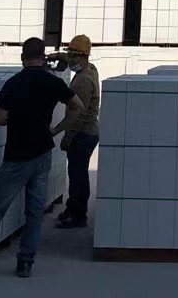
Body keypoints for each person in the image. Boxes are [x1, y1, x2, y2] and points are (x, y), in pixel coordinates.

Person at [0, 37, 81, 280]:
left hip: (17, 157)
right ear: (43, 57)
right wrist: (57, 129)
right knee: (34, 212)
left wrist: (18, 117)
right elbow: (77, 105)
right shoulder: (53, 82)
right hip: (42, 154)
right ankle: (25, 263)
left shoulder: (13, 83)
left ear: (22, 57)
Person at [54, 34, 102, 229]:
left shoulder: (82, 80)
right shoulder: (91, 69)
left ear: (83, 57)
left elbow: (78, 114)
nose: (71, 59)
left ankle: (78, 214)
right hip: (90, 132)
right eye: (70, 55)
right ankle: (72, 207)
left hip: (82, 133)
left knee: (77, 176)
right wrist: (58, 56)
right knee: (76, 173)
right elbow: (71, 59)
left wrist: (64, 134)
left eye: (74, 56)